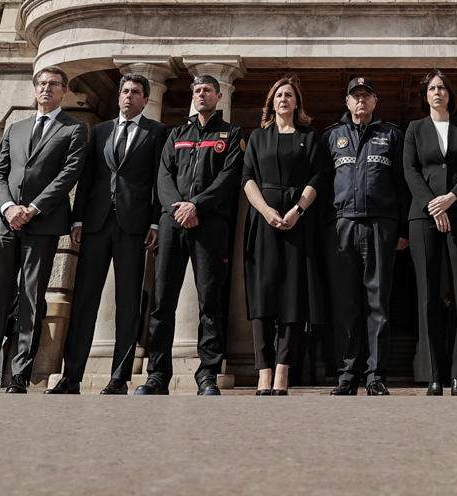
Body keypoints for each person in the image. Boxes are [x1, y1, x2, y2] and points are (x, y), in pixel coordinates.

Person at [0, 67, 85, 393]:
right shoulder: (15, 128)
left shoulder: (74, 129)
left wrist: (32, 208)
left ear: (64, 92)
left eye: (54, 85)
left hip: (42, 223)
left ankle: (19, 374)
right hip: (5, 223)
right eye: (42, 84)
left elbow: (68, 174)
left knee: (31, 299)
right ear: (35, 90)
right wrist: (7, 208)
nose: (47, 89)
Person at [58, 72, 165, 394]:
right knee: (84, 301)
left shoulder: (157, 132)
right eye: (125, 91)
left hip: (134, 227)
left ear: (146, 100)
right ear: (119, 96)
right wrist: (77, 220)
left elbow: (160, 180)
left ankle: (119, 378)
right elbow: (87, 177)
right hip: (95, 224)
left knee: (129, 302)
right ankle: (71, 376)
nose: (128, 96)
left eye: (135, 93)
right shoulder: (101, 131)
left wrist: (155, 221)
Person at [145, 73, 245, 395]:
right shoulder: (177, 133)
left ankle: (207, 375)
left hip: (209, 225)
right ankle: (157, 374)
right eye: (197, 90)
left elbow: (229, 179)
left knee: (210, 301)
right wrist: (178, 207)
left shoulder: (230, 134)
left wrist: (197, 206)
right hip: (173, 223)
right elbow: (163, 176)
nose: (202, 95)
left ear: (218, 96)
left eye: (208, 91)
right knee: (162, 302)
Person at [243, 77, 324, 396]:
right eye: (279, 95)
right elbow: (248, 178)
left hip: (296, 224)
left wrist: (296, 211)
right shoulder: (257, 138)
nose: (284, 99)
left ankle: (282, 372)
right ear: (271, 102)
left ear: (297, 102)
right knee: (262, 297)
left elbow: (317, 177)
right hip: (262, 222)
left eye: (289, 95)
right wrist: (265, 211)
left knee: (292, 296)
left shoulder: (310, 137)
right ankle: (263, 370)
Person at [324, 76, 405, 395]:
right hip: (342, 226)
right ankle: (347, 373)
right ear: (347, 102)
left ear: (374, 101)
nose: (360, 101)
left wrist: (399, 229)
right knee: (345, 305)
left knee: (378, 303)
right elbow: (321, 182)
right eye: (355, 96)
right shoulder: (331, 136)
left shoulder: (391, 135)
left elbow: (401, 185)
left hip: (379, 226)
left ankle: (375, 375)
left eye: (366, 96)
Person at [402, 70, 457, 394]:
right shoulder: (415, 129)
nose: (437, 92)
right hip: (423, 219)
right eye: (432, 88)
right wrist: (432, 205)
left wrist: (450, 199)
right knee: (428, 295)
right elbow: (410, 169)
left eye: (442, 88)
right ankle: (434, 373)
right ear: (426, 94)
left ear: (450, 94)